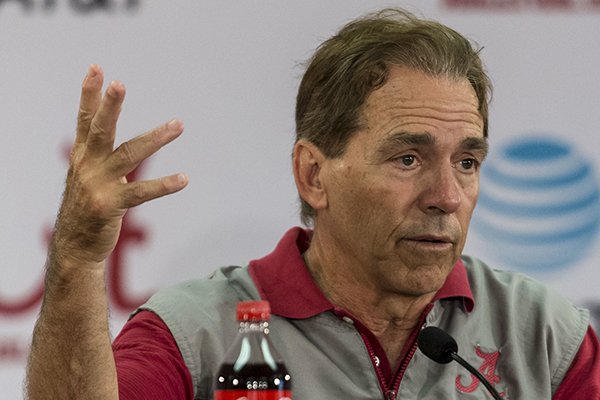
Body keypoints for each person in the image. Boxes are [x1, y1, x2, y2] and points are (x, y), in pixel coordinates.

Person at [25, 8, 600, 400]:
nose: (447, 196)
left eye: (467, 163)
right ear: (313, 174)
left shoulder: (546, 339)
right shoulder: (195, 336)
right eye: (408, 159)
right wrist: (75, 257)